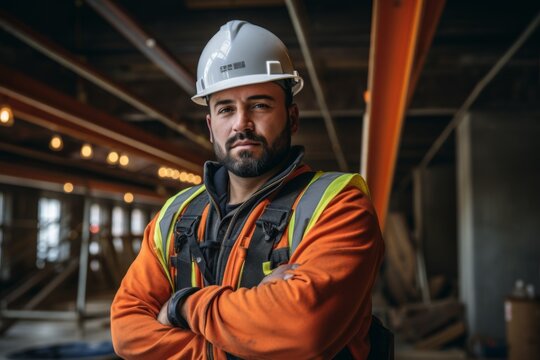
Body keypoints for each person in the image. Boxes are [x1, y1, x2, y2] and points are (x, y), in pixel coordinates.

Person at [110, 20, 385, 359]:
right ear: (211, 126)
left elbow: (303, 329)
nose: (241, 123)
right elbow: (126, 331)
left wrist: (181, 306)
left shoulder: (338, 206)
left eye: (260, 105)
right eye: (226, 108)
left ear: (293, 117)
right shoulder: (175, 215)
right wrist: (236, 345)